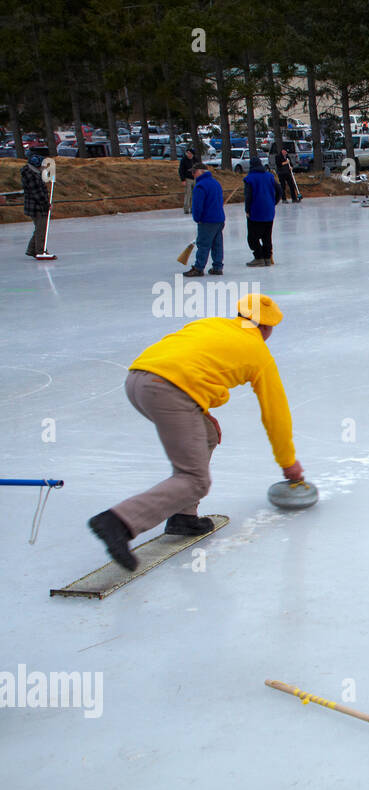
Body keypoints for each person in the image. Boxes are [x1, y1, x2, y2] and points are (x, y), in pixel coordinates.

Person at [88, 294, 305, 570]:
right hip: (168, 391)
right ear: (266, 327)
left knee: (208, 435)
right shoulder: (258, 353)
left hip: (137, 380)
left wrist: (201, 411)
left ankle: (184, 516)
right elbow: (275, 414)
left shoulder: (211, 325)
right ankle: (119, 521)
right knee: (195, 480)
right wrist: (288, 462)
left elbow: (187, 362)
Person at [183, 165, 224, 276]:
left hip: (207, 220)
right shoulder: (216, 183)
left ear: (201, 172)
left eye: (194, 172)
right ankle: (217, 267)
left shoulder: (200, 186)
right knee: (217, 244)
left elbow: (197, 206)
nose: (193, 174)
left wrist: (197, 218)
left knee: (203, 244)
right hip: (219, 219)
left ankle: (198, 268)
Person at [243, 156, 279, 267]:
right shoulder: (269, 176)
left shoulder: (250, 178)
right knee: (267, 236)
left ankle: (259, 257)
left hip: (256, 211)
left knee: (253, 237)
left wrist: (247, 210)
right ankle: (267, 258)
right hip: (269, 211)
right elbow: (279, 190)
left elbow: (248, 196)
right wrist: (273, 202)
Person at [21, 153, 54, 260]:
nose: (43, 167)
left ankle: (31, 249)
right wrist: (46, 204)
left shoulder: (33, 173)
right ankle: (40, 250)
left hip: (37, 206)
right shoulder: (31, 176)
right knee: (41, 229)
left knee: (39, 228)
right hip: (37, 207)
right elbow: (38, 193)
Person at [180, 147, 196, 214]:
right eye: (187, 153)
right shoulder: (184, 160)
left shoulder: (195, 160)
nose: (188, 154)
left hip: (195, 179)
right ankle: (186, 209)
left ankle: (193, 208)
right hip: (187, 179)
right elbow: (181, 170)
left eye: (189, 153)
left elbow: (199, 168)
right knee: (188, 194)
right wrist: (183, 180)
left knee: (194, 194)